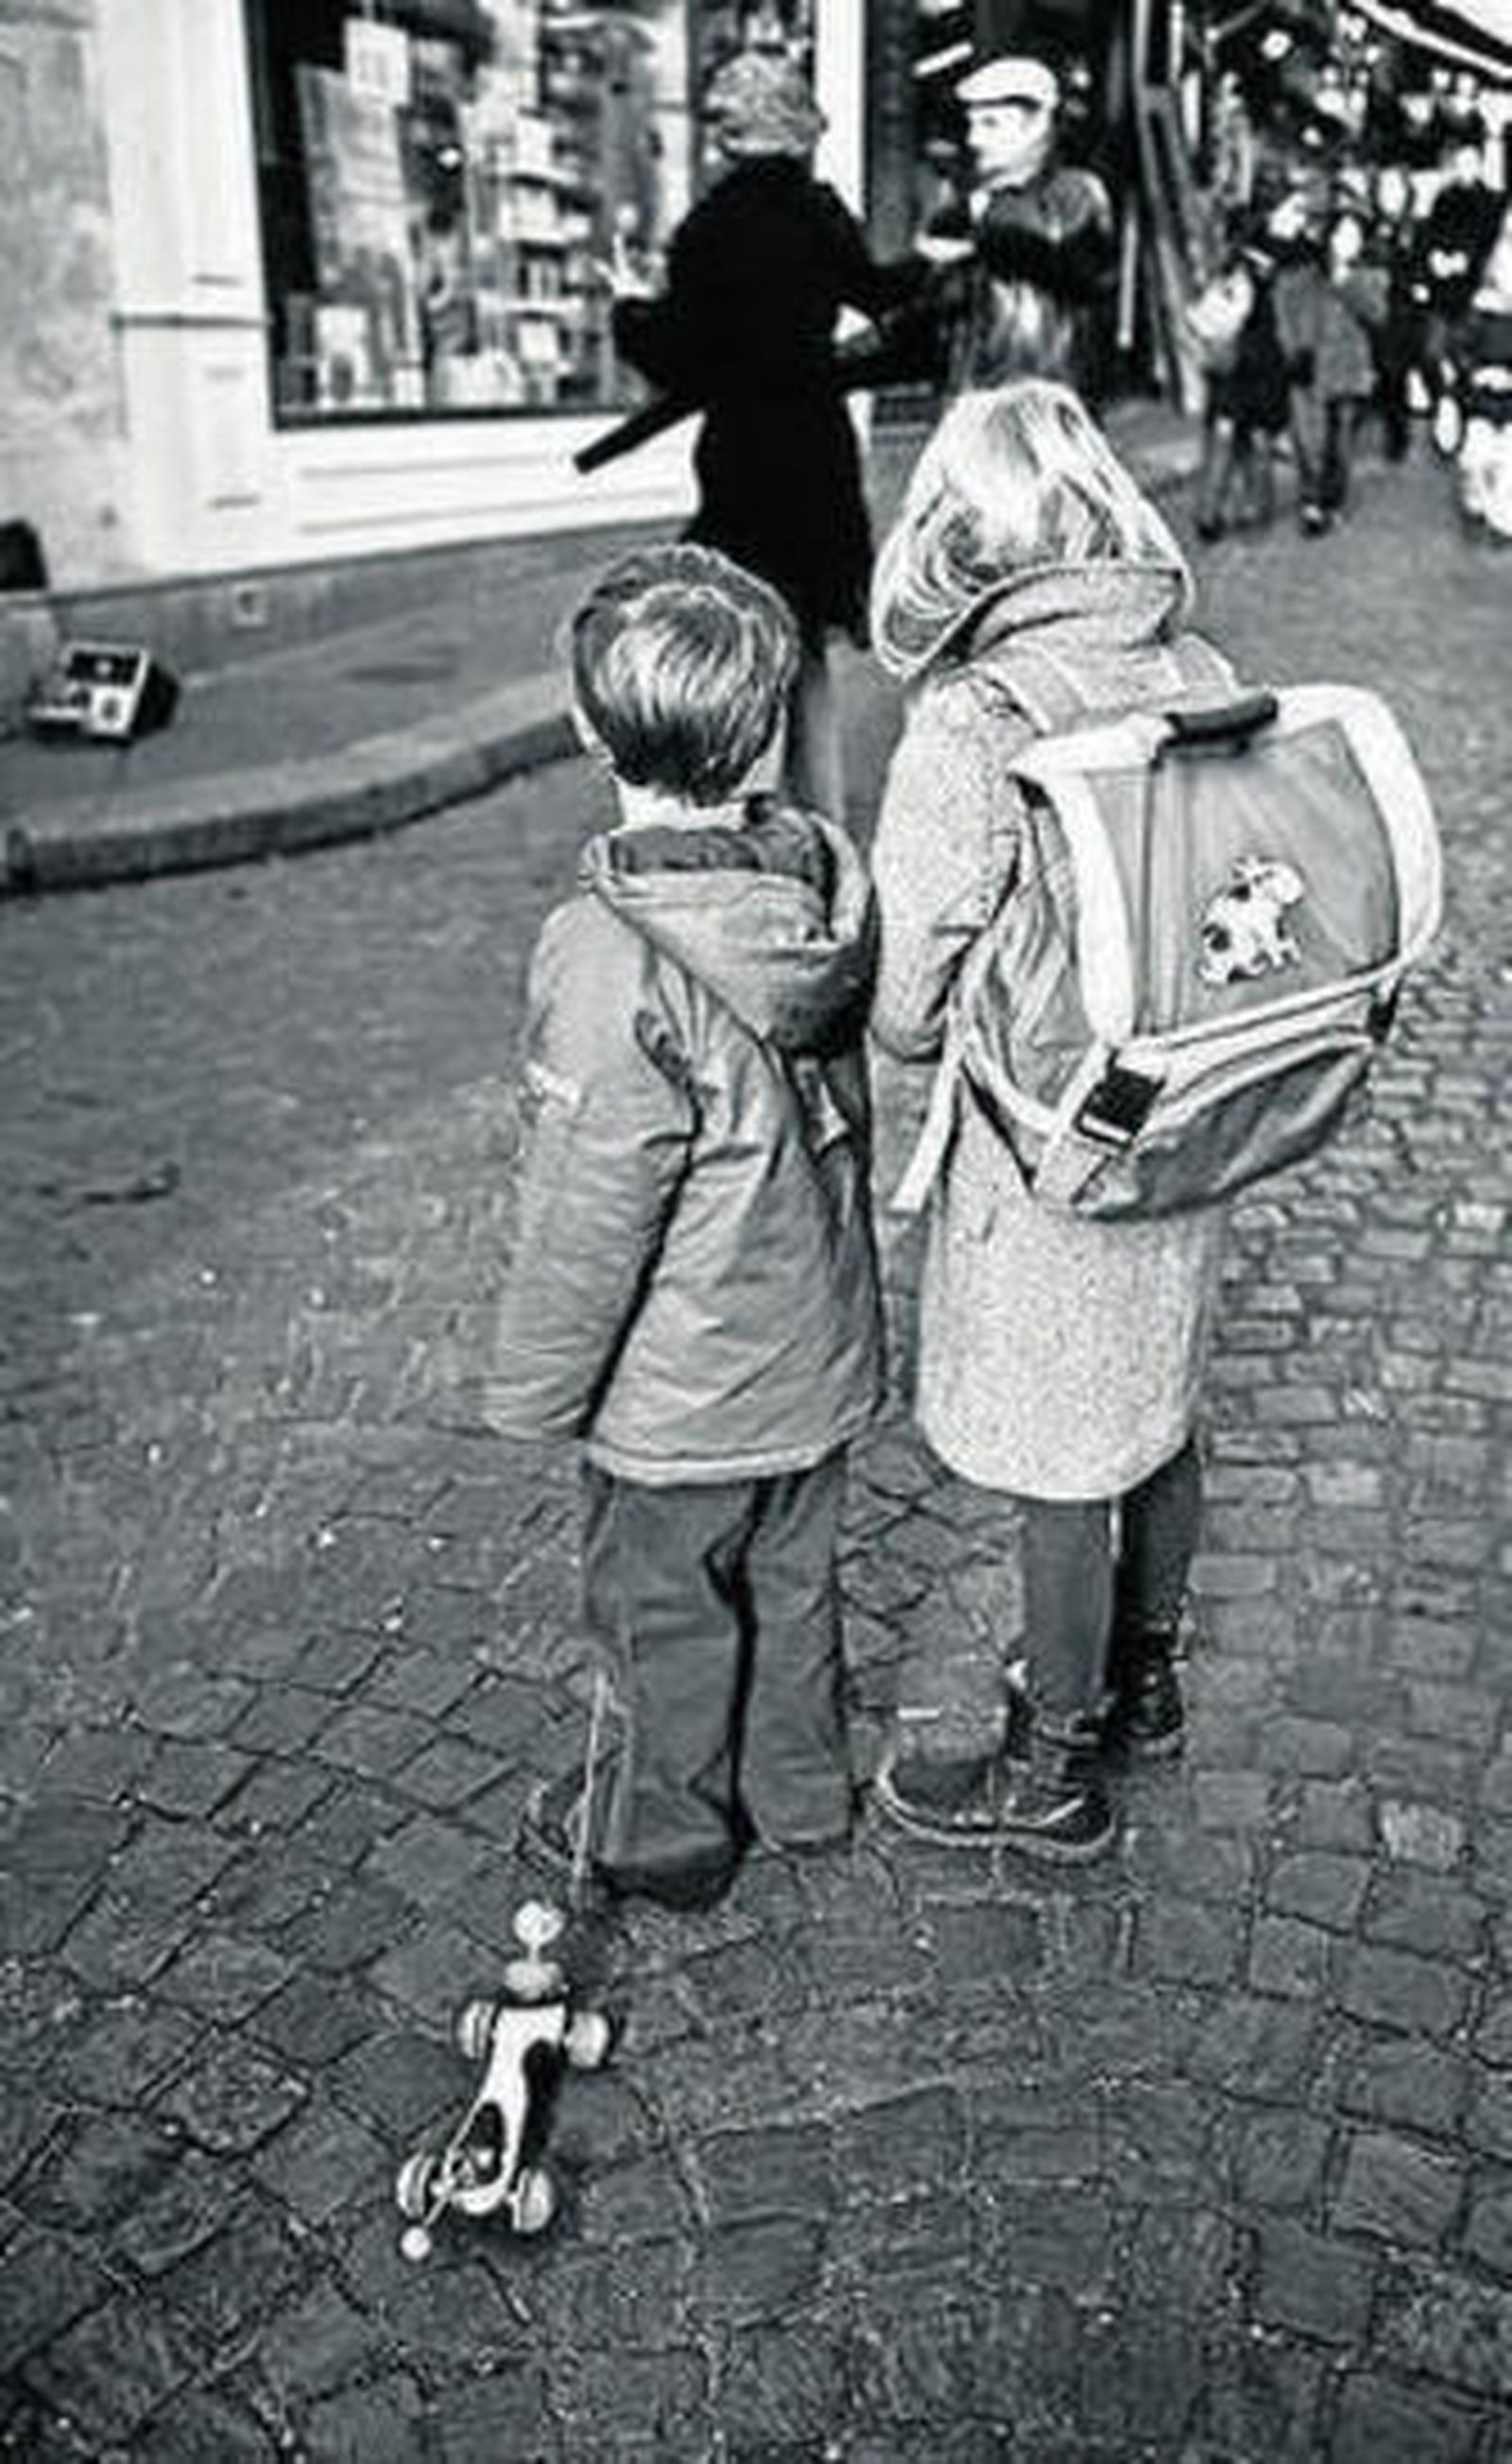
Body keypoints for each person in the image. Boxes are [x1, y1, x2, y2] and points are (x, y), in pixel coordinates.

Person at [865, 381, 1236, 1863]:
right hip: (1190, 1118)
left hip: (1049, 1144)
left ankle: (1051, 1769)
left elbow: (905, 995)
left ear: (966, 531)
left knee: (1065, 1458)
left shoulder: (976, 717)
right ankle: (1147, 1688)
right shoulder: (1200, 663)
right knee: (1157, 1413)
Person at [486, 544, 885, 1911]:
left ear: (591, 727)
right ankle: (802, 1792)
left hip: (678, 1396)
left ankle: (666, 1832)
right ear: (765, 718)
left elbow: (588, 1204)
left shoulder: (606, 953)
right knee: (795, 1580)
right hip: (813, 1345)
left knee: (664, 1610)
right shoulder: (819, 884)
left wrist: (540, 1391)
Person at [608, 52, 917, 821]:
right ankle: (826, 828)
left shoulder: (708, 231)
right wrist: (934, 269)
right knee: (805, 643)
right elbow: (880, 294)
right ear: (796, 131)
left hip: (745, 457)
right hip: (814, 452)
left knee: (746, 639)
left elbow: (681, 358)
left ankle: (755, 821)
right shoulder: (820, 212)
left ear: (728, 137)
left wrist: (629, 311)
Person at [923, 53, 1116, 402]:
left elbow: (1069, 266)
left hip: (1049, 407)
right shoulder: (966, 206)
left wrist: (981, 236)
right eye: (972, 124)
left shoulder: (1075, 194)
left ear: (1037, 125)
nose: (974, 139)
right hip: (974, 407)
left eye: (991, 124)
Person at [1192, 212, 1291, 541]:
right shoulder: (1269, 268)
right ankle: (1254, 511)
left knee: (1226, 437)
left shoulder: (1231, 271)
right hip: (1261, 365)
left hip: (1235, 366)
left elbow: (1209, 318)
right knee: (1257, 440)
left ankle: (1211, 513)